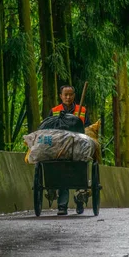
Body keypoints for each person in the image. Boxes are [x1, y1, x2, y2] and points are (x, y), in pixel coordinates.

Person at [50, 85, 89, 215]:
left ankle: (79, 199)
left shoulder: (82, 110)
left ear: (74, 96)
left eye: (70, 94)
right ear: (60, 96)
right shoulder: (55, 111)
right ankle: (62, 206)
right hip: (60, 149)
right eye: (65, 95)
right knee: (62, 172)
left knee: (79, 170)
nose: (68, 97)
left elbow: (88, 128)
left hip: (78, 147)